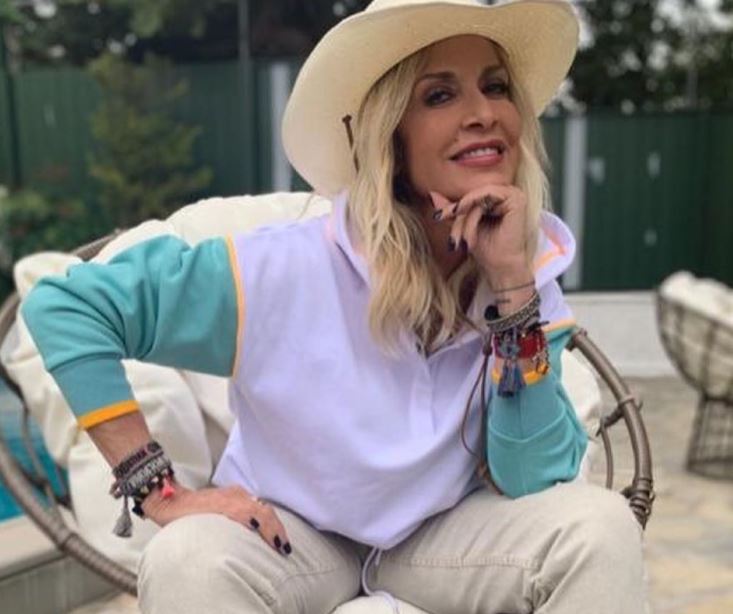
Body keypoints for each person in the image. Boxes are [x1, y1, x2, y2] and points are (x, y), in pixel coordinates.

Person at [20, 1, 646, 612]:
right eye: (439, 95)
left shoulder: (523, 275)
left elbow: (531, 476)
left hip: (444, 539)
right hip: (291, 538)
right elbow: (68, 306)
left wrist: (510, 287)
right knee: (187, 557)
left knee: (599, 529)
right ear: (389, 135)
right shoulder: (277, 269)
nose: (483, 113)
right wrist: (160, 493)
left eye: (496, 87)